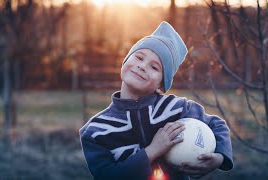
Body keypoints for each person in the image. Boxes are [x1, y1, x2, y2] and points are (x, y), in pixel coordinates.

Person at [79, 21, 233, 180]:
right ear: (124, 62)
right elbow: (107, 176)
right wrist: (151, 151)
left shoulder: (177, 109)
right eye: (139, 57)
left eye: (154, 67)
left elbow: (217, 124)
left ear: (161, 85)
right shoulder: (95, 131)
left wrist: (220, 157)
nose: (142, 66)